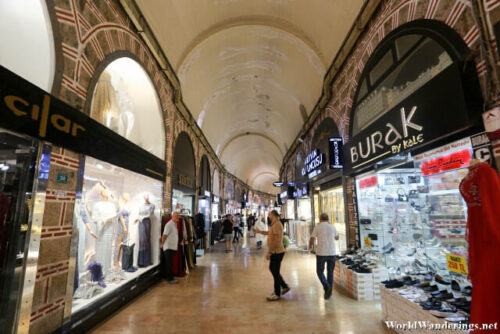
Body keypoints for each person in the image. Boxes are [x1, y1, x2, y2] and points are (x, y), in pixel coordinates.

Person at [254, 210, 290, 301]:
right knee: (274, 270)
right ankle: (284, 286)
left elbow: (277, 241)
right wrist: (259, 231)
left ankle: (277, 293)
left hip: (277, 252)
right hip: (275, 251)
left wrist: (270, 252)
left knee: (275, 271)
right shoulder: (274, 224)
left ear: (273, 215)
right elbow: (270, 234)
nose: (268, 216)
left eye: (270, 214)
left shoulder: (277, 225)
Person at [309, 213, 339, 300]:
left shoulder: (318, 227)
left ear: (320, 219)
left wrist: (310, 246)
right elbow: (337, 237)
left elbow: (312, 238)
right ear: (328, 219)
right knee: (330, 272)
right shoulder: (332, 226)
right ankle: (329, 292)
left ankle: (327, 287)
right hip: (332, 252)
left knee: (319, 272)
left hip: (322, 253)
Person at [160, 211, 180, 284]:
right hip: (168, 247)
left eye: (178, 216)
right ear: (172, 216)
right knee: (169, 264)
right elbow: (164, 235)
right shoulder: (169, 224)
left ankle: (168, 277)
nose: (178, 217)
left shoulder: (174, 224)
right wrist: (162, 244)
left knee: (169, 263)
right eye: (176, 216)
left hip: (172, 247)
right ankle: (170, 279)